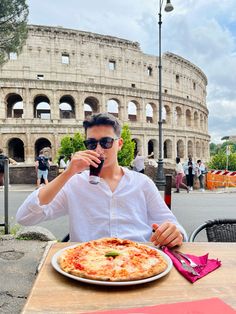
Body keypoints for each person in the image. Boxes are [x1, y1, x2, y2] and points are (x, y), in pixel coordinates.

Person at [16, 113, 187, 247]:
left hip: (137, 260)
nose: (98, 150)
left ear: (119, 144)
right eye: (91, 144)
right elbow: (25, 217)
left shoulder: (142, 183)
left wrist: (174, 233)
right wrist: (68, 173)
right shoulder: (74, 184)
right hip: (86, 264)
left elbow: (174, 226)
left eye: (105, 142)